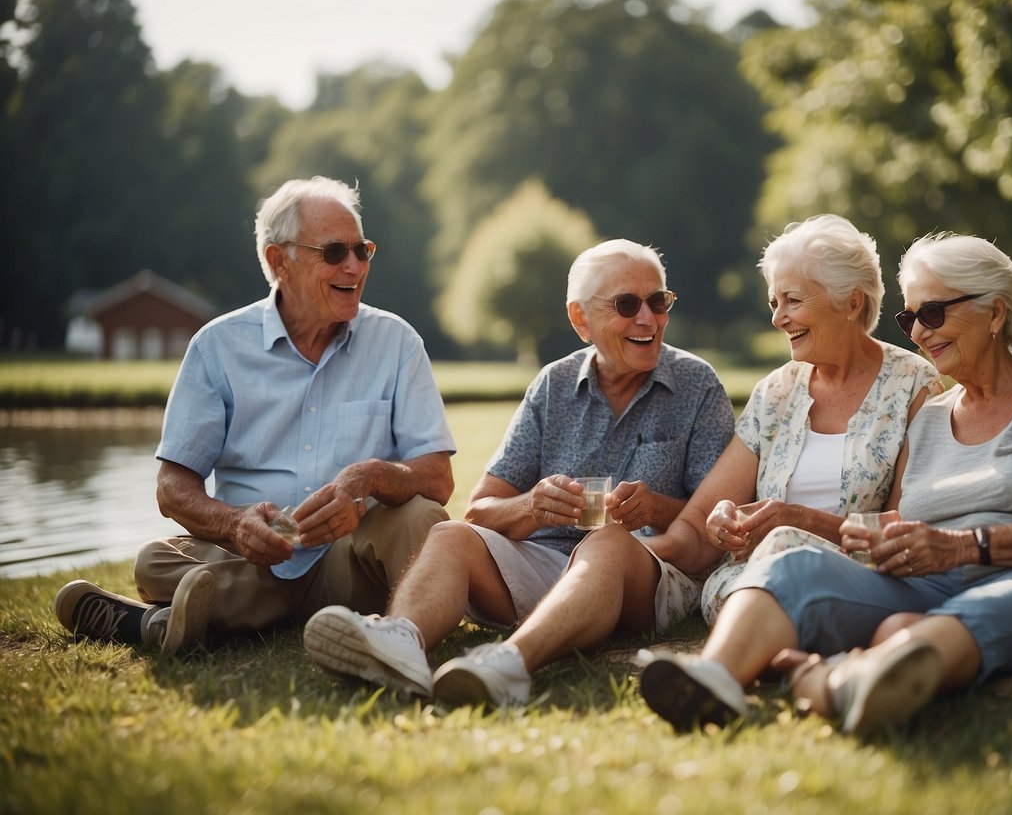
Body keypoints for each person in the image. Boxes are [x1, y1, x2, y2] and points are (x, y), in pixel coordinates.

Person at [638, 232, 1012, 734]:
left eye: (933, 313)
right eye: (910, 317)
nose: (918, 332)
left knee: (952, 623)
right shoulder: (931, 417)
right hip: (934, 580)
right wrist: (866, 535)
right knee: (794, 568)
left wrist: (964, 547)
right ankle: (715, 678)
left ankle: (830, 683)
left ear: (995, 313)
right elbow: (906, 521)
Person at [301, 238, 735, 704]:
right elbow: (481, 510)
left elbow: (713, 527)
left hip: (650, 571)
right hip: (547, 563)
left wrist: (658, 507)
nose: (647, 318)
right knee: (450, 536)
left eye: (657, 301)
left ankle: (508, 662)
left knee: (607, 540)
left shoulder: (697, 385)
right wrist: (532, 507)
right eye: (627, 304)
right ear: (580, 319)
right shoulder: (553, 385)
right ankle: (401, 642)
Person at [53, 176, 456, 655]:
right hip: (250, 562)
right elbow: (172, 488)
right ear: (278, 260)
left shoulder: (398, 342)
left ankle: (163, 623)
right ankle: (183, 619)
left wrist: (368, 478)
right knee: (155, 559)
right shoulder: (216, 347)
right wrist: (235, 525)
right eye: (333, 253)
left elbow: (437, 479)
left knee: (426, 519)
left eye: (361, 250)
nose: (354, 266)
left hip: (354, 566)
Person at [650, 214, 941, 629]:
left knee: (786, 550)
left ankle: (738, 658)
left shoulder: (915, 385)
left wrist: (798, 520)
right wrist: (722, 520)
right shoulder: (777, 391)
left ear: (852, 302)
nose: (777, 318)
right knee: (764, 566)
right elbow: (701, 519)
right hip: (748, 580)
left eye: (793, 300)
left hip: (862, 580)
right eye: (774, 303)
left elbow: (900, 539)